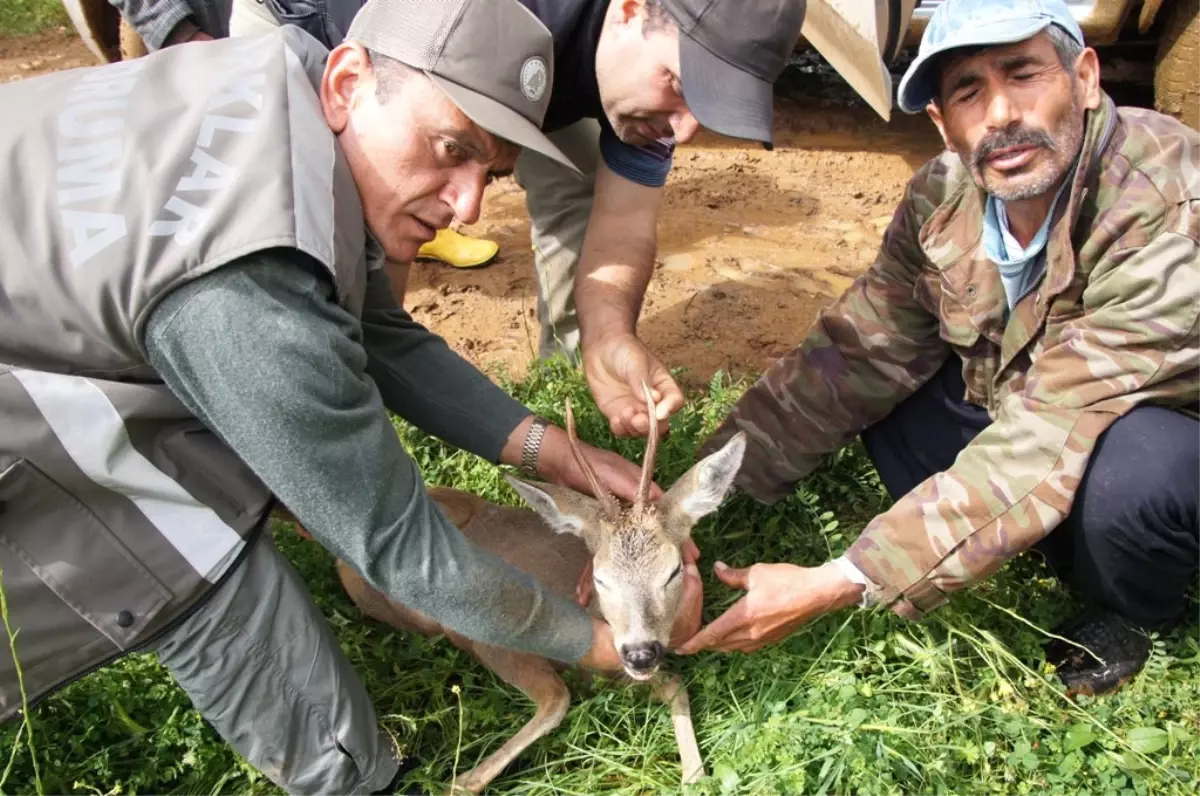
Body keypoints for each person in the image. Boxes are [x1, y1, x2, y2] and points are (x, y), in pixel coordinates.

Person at [0, 1, 704, 793]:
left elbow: (376, 327)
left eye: (490, 172)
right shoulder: (249, 288)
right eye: (450, 149)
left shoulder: (279, 84)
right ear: (349, 82)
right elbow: (401, 548)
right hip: (28, 403)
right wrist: (602, 643)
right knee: (197, 556)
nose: (468, 207)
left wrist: (550, 450)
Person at [679, 0, 1200, 697]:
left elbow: (1055, 424)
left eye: (1023, 75)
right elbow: (854, 353)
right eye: (968, 92)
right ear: (941, 123)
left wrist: (848, 577)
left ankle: (1131, 608)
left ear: (1085, 76)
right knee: (885, 399)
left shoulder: (1164, 208)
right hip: (1032, 410)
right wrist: (690, 496)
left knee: (1137, 479)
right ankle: (1012, 534)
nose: (1000, 115)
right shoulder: (943, 197)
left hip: (1154, 429)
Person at [107, 0, 813, 439]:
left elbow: (623, 224)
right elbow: (398, 189)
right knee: (331, 251)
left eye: (708, 108)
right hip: (340, 36)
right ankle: (284, 434)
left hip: (544, 62)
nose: (685, 130)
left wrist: (609, 336)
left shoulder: (643, 85)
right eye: (682, 87)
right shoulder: (441, 19)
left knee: (574, 189)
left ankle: (567, 386)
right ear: (630, 9)